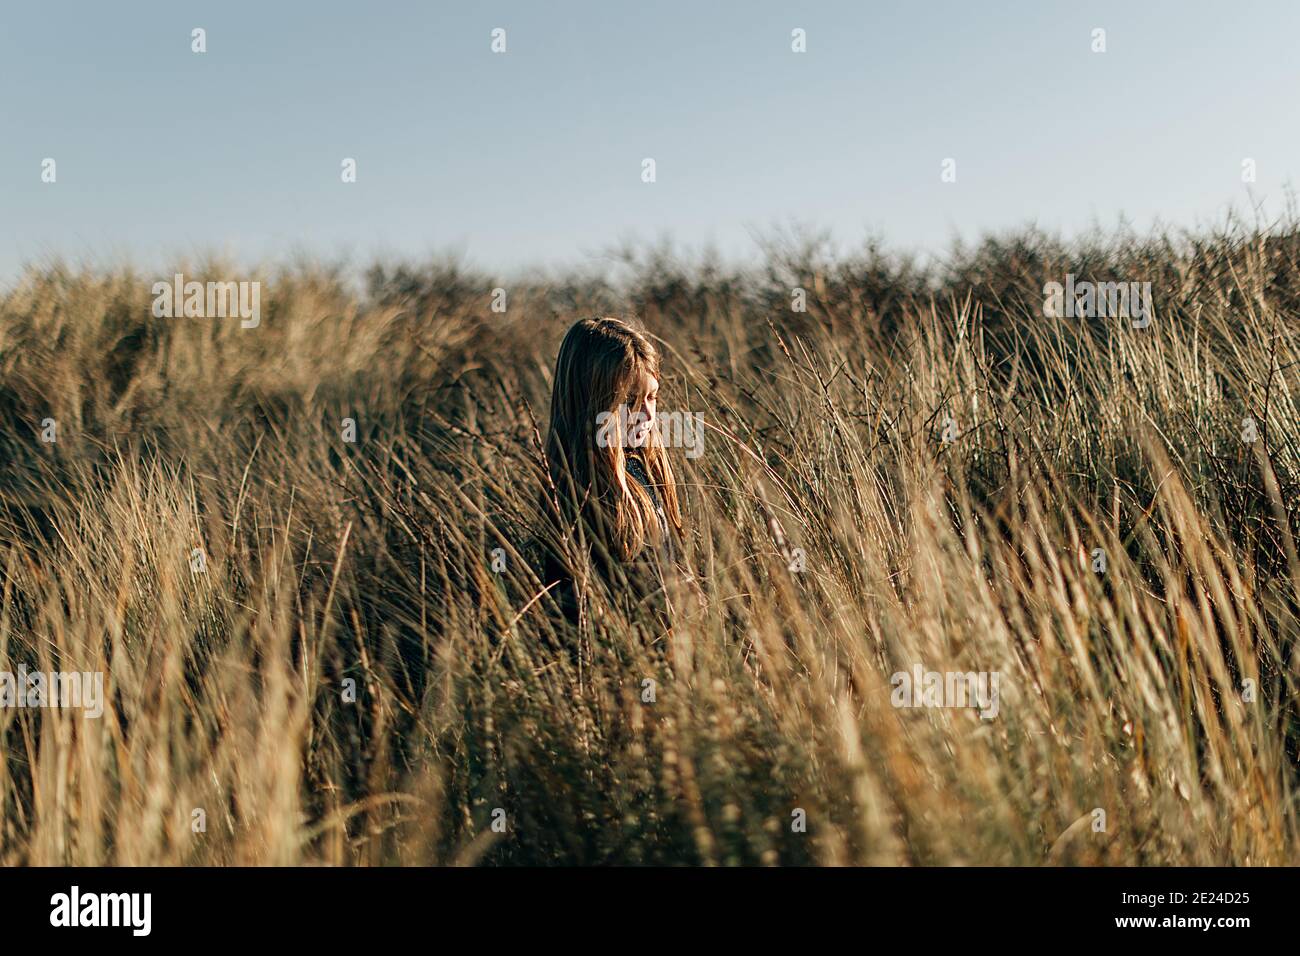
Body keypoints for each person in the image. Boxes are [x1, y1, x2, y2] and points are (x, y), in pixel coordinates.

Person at [540, 317, 685, 636]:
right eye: (630, 401)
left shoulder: (642, 467)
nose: (647, 415)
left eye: (652, 397)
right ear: (592, 402)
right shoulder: (575, 487)